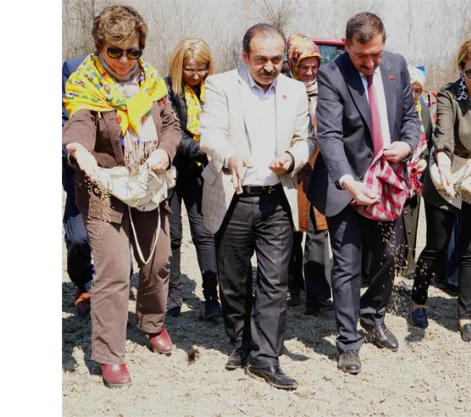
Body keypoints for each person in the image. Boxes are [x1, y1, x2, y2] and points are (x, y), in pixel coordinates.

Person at [62, 5, 179, 388]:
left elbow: (171, 126)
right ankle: (110, 354)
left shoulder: (152, 82)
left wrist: (165, 152)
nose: (125, 60)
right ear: (98, 46)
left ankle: (152, 322)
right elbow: (79, 123)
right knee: (113, 272)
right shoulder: (85, 84)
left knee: (158, 260)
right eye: (115, 51)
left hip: (148, 186)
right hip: (103, 190)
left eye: (133, 51)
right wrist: (78, 150)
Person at [199, 23, 314, 390]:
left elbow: (306, 139)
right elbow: (209, 133)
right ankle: (240, 342)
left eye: (276, 60)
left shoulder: (295, 91)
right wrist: (229, 155)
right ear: (245, 56)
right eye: (261, 59)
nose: (269, 67)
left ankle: (266, 357)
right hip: (233, 195)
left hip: (275, 200)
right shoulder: (220, 85)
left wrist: (292, 158)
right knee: (233, 281)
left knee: (275, 281)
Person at [309, 12, 419, 374]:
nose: (370, 63)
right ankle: (348, 341)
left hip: (387, 182)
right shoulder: (331, 75)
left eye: (376, 54)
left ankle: (372, 316)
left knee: (390, 254)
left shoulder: (397, 66)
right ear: (346, 46)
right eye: (361, 56)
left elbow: (410, 117)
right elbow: (329, 135)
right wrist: (347, 180)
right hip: (347, 185)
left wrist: (407, 144)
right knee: (347, 266)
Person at [411, 37, 471, 340]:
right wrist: (442, 163)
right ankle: (418, 301)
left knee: (470, 251)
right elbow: (443, 137)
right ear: (461, 69)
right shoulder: (449, 94)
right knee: (436, 246)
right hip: (447, 175)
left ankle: (465, 316)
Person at [164, 38, 222, 319]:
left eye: (202, 69)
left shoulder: (215, 91)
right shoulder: (166, 90)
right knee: (172, 236)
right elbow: (173, 133)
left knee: (205, 233)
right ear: (178, 66)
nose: (196, 75)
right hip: (173, 170)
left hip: (202, 172)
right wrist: (206, 150)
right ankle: (172, 295)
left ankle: (211, 297)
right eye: (190, 69)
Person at [284, 33, 334, 316]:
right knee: (291, 230)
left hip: (320, 167)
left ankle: (317, 295)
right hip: (292, 167)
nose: (310, 72)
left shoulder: (326, 90)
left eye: (314, 66)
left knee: (318, 229)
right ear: (293, 65)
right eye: (304, 66)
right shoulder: (283, 90)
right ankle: (291, 286)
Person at [62, 55, 95, 316]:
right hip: (78, 169)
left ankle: (105, 292)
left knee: (118, 243)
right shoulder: (73, 68)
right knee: (77, 237)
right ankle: (83, 282)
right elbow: (61, 118)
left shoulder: (130, 67)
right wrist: (73, 152)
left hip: (116, 172)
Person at [399, 65, 432, 276]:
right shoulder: (395, 108)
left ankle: (407, 265)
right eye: (410, 89)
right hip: (397, 172)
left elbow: (430, 141)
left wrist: (425, 160)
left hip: (416, 175)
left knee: (412, 218)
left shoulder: (424, 111)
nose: (414, 95)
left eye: (418, 91)